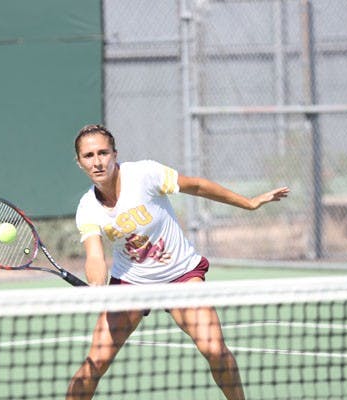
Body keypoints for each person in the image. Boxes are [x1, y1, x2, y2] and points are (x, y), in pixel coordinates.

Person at [66, 124, 289, 400]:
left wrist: (249, 203)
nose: (98, 161)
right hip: (131, 284)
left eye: (103, 152)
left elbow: (196, 185)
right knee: (93, 365)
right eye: (89, 156)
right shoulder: (88, 207)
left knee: (215, 350)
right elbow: (95, 256)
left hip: (180, 275)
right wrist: (97, 284)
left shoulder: (144, 175)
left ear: (115, 153)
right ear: (79, 163)